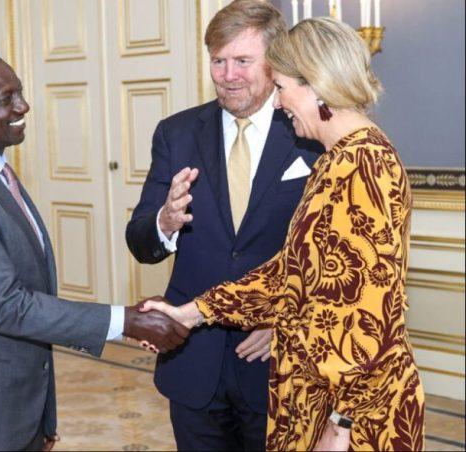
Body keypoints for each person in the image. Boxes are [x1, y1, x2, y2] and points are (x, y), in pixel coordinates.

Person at [142, 17, 425, 451]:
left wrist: (341, 422)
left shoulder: (363, 165)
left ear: (317, 86)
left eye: (282, 87)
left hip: (350, 413)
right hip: (314, 396)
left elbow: (371, 314)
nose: (277, 102)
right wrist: (191, 313)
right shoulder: (338, 161)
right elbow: (291, 274)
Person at [0, 51, 189, 451]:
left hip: (14, 402)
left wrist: (42, 416)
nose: (23, 106)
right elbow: (9, 306)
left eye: (19, 92)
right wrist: (124, 321)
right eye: (6, 98)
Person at [125, 0, 321, 449]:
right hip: (194, 359)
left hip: (277, 360)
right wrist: (163, 222)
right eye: (218, 61)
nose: (227, 74)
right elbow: (140, 242)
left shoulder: (309, 133)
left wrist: (289, 322)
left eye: (242, 61)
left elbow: (334, 256)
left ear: (275, 62)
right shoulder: (176, 133)